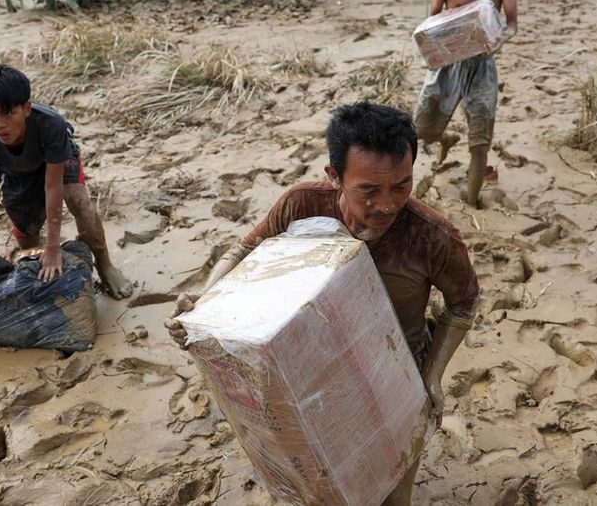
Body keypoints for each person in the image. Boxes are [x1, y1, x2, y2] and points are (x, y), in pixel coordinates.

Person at [165, 102, 480, 505]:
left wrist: (433, 376)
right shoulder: (302, 205)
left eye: (401, 186)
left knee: (390, 492)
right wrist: (205, 304)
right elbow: (242, 252)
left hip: (395, 372)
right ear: (335, 176)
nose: (387, 205)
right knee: (315, 485)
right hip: (304, 370)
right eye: (368, 190)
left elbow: (463, 305)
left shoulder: (432, 236)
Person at [0, 64, 132, 299]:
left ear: (26, 108)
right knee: (27, 234)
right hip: (15, 171)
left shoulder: (50, 124)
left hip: (54, 161)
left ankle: (105, 265)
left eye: (8, 113)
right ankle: (31, 257)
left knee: (78, 200)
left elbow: (53, 185)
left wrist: (54, 248)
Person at [413, 0, 518, 207]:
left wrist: (498, 39)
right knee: (423, 130)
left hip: (482, 69)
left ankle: (472, 202)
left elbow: (512, 24)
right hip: (447, 64)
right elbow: (432, 21)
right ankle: (445, 139)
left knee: (479, 144)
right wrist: (432, 50)